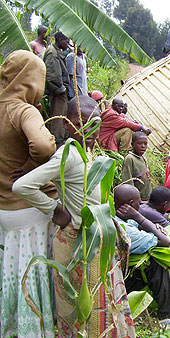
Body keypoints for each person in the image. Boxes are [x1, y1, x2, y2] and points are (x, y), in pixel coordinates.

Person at [13, 96, 136, 337]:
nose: (90, 129)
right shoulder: (68, 154)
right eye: (82, 122)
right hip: (77, 243)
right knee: (80, 309)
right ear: (69, 124)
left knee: (102, 301)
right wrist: (54, 209)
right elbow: (22, 186)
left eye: (95, 124)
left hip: (98, 238)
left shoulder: (91, 154)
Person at [0, 50, 56, 338]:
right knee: (32, 274)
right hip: (29, 210)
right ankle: (34, 327)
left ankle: (10, 325)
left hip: (4, 211)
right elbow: (44, 146)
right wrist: (31, 167)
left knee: (12, 270)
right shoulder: (23, 110)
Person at [113, 185, 170, 338]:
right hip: (120, 284)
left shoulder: (117, 218)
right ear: (131, 205)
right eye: (138, 203)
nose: (141, 206)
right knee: (156, 264)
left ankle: (167, 301)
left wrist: (153, 227)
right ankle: (169, 318)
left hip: (119, 275)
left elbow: (143, 229)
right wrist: (139, 217)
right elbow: (164, 241)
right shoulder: (129, 230)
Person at [43, 31, 71, 146]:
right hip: (57, 93)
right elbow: (52, 75)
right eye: (66, 42)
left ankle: (60, 140)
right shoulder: (52, 53)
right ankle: (56, 142)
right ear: (60, 40)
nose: (67, 45)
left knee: (62, 116)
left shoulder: (56, 52)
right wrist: (60, 89)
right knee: (58, 118)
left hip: (60, 91)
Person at [122, 131, 152, 201]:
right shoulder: (130, 158)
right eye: (140, 143)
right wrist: (133, 198)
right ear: (132, 144)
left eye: (145, 144)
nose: (143, 146)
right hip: (137, 199)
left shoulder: (143, 158)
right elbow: (127, 180)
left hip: (146, 198)